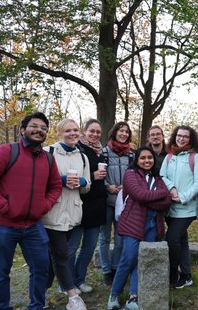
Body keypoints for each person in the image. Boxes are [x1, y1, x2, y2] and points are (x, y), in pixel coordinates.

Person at [0, 112, 62, 310]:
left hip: (33, 226)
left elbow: (56, 187)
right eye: (34, 126)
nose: (39, 130)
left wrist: (44, 206)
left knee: (41, 268)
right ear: (23, 130)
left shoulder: (48, 159)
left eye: (43, 128)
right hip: (3, 225)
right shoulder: (6, 151)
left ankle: (36, 306)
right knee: (1, 272)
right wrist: (5, 207)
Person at [107, 146, 172, 310]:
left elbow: (167, 202)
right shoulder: (130, 174)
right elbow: (140, 195)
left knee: (142, 259)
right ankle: (114, 294)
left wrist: (160, 197)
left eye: (149, 157)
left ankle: (133, 297)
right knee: (128, 258)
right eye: (142, 158)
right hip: (133, 223)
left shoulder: (157, 177)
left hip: (152, 224)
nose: (147, 161)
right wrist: (162, 194)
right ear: (136, 160)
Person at [43, 118, 91, 310]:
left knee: (53, 258)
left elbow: (87, 186)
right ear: (59, 133)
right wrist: (60, 180)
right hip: (52, 214)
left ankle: (41, 292)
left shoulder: (83, 157)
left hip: (74, 215)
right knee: (60, 255)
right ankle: (72, 297)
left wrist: (81, 183)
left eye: (76, 130)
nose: (73, 133)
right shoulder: (49, 152)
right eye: (68, 130)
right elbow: (39, 182)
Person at [160, 125, 198, 289]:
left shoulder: (196, 157)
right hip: (170, 207)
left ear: (190, 139)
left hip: (186, 207)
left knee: (171, 239)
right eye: (179, 135)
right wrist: (171, 189)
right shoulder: (169, 157)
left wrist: (183, 197)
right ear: (174, 136)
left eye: (185, 136)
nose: (181, 138)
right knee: (181, 241)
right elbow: (162, 176)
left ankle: (172, 275)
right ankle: (186, 275)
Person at [67, 119, 107, 293]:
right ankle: (67, 284)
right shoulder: (77, 149)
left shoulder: (102, 151)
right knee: (72, 248)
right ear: (85, 131)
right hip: (79, 205)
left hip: (97, 205)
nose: (95, 135)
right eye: (92, 131)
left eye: (98, 132)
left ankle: (79, 279)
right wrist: (93, 175)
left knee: (89, 247)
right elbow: (74, 175)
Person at [100, 121, 134, 285]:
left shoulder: (131, 154)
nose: (124, 134)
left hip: (123, 202)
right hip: (106, 200)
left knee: (120, 239)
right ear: (114, 132)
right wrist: (108, 187)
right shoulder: (104, 152)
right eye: (121, 131)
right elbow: (99, 174)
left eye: (126, 132)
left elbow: (135, 176)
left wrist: (126, 187)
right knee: (105, 238)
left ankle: (115, 269)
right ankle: (106, 270)